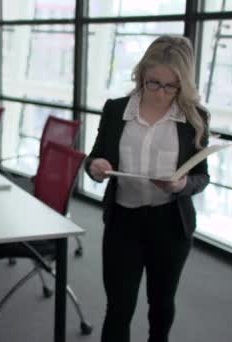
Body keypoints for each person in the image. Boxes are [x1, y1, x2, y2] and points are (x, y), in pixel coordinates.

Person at [84, 36, 210, 342]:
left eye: (171, 86)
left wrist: (181, 184)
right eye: (154, 83)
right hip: (123, 223)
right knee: (119, 308)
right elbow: (95, 158)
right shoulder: (115, 110)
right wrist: (96, 166)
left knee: (162, 306)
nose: (162, 93)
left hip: (170, 225)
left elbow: (201, 177)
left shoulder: (195, 119)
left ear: (183, 84)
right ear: (141, 74)